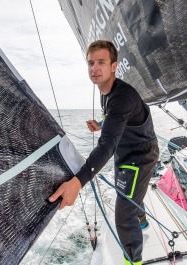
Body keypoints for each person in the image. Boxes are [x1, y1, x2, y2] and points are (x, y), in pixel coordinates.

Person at [49, 40, 159, 265]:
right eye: (91, 63)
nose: (94, 68)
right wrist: (101, 123)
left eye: (101, 62)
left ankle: (133, 262)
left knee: (124, 213)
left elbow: (106, 146)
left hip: (140, 156)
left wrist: (77, 183)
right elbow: (115, 118)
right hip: (125, 152)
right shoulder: (105, 91)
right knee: (127, 195)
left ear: (114, 66)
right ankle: (144, 224)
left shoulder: (122, 97)